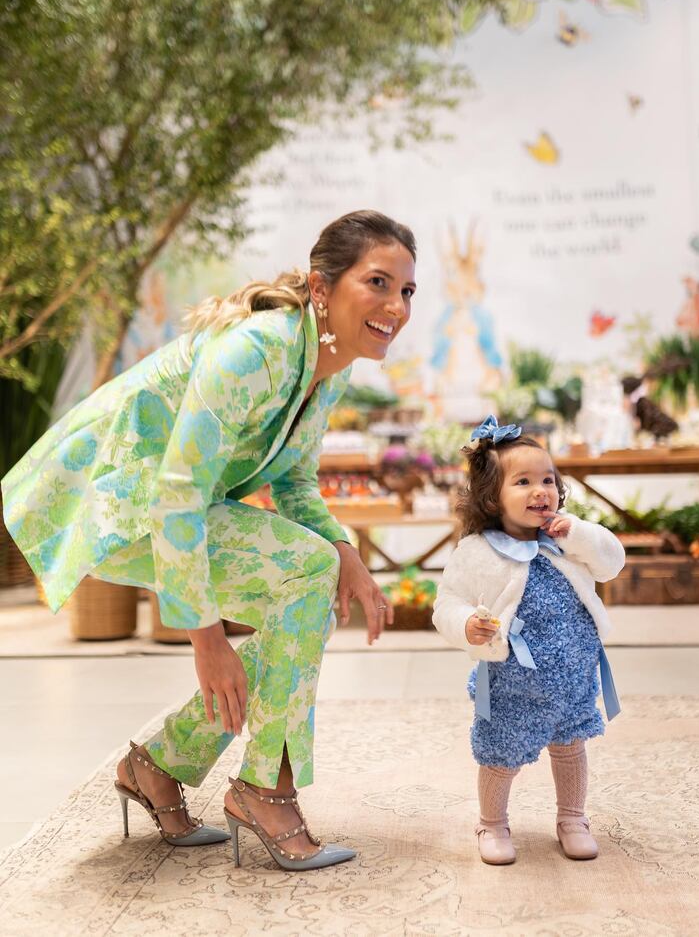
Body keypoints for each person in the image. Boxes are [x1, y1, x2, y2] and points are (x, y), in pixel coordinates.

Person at [1, 210, 417, 871]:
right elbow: (178, 489)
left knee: (303, 600)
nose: (396, 306)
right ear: (321, 285)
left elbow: (294, 481)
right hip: (116, 503)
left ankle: (158, 766)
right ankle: (264, 789)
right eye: (378, 282)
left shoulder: (326, 364)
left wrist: (351, 558)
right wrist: (206, 635)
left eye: (407, 290)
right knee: (303, 578)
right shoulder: (257, 349)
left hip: (171, 504)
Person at [432, 416, 624, 866]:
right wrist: (466, 625)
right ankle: (492, 823)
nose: (541, 490)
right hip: (511, 682)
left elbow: (612, 562)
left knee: (571, 747)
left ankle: (573, 818)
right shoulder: (478, 551)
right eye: (523, 482)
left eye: (548, 480)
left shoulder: (568, 540)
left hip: (573, 676)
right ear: (491, 498)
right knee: (501, 755)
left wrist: (577, 532)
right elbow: (447, 602)